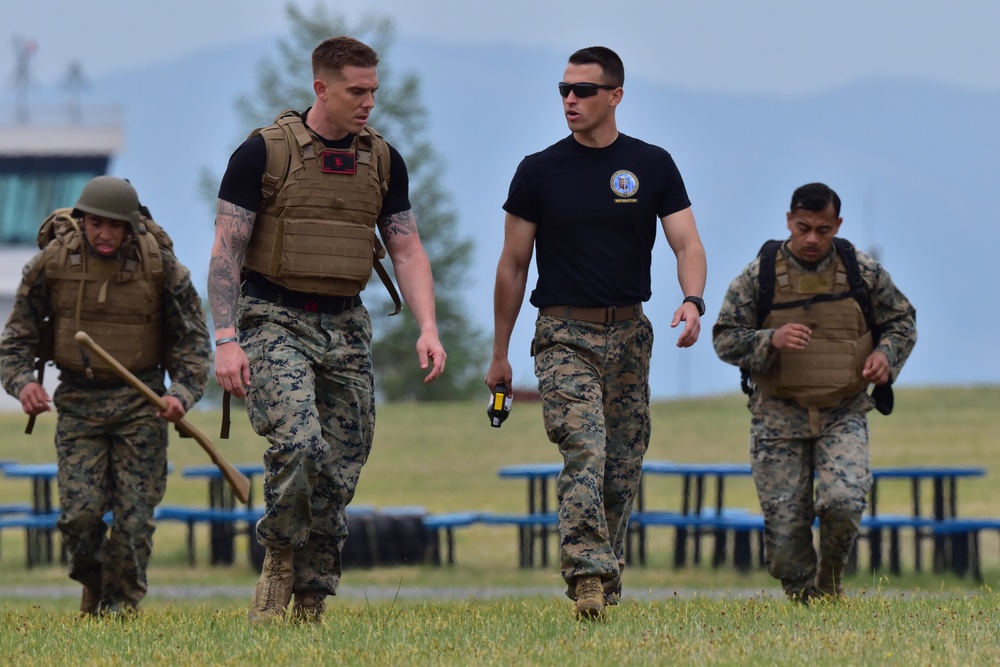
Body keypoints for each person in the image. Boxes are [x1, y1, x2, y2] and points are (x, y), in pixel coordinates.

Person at [209, 35, 446, 624]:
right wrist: (225, 338)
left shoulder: (383, 160)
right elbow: (226, 252)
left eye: (373, 90)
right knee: (299, 444)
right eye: (356, 91)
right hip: (272, 318)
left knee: (341, 464)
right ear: (322, 88)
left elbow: (407, 248)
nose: (369, 101)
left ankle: (312, 596)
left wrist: (428, 327)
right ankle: (280, 557)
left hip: (345, 324)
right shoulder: (262, 153)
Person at [485, 46, 707, 620]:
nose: (570, 100)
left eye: (583, 90)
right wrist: (500, 354)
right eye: (563, 90)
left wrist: (692, 300)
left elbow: (686, 242)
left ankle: (606, 578)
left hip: (631, 333)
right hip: (563, 333)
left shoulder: (652, 165)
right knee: (584, 446)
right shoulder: (538, 171)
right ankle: (586, 573)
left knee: (622, 461)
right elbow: (512, 265)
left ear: (615, 96)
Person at [0, 176, 212, 616]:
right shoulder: (52, 263)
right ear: (82, 221)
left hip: (143, 405)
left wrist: (182, 394)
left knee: (135, 521)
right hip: (78, 403)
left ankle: (119, 610)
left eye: (115, 226)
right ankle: (93, 584)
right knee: (80, 518)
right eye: (96, 224)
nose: (104, 235)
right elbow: (15, 339)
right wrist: (24, 384)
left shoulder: (161, 267)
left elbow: (193, 342)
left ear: (131, 227)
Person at [712, 182, 917, 602]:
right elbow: (724, 339)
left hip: (843, 410)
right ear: (789, 220)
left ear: (837, 225)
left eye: (822, 230)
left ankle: (831, 577)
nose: (811, 239)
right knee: (786, 530)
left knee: (844, 500)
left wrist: (885, 356)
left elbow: (902, 322)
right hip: (777, 414)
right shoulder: (760, 275)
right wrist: (770, 340)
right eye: (803, 227)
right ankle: (805, 597)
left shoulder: (862, 272)